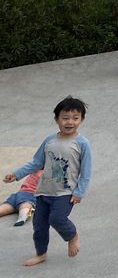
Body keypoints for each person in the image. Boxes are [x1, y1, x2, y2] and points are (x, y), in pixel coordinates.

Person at [5, 96, 92, 267]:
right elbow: (37, 162)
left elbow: (86, 171)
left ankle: (72, 235)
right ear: (56, 119)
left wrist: (79, 192)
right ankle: (41, 254)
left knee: (57, 219)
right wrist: (16, 174)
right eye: (65, 118)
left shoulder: (82, 144)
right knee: (39, 226)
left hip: (65, 193)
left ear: (82, 119)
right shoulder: (49, 140)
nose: (70, 122)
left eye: (75, 118)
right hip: (43, 191)